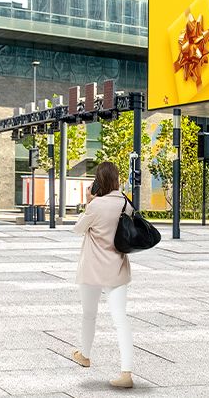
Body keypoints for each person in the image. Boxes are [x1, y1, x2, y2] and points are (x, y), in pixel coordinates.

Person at [69, 161, 134, 389]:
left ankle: (85, 355)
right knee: (120, 319)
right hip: (117, 270)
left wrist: (89, 200)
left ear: (99, 181)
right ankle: (126, 372)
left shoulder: (96, 206)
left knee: (89, 314)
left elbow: (77, 229)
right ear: (116, 180)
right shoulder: (126, 203)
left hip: (93, 270)